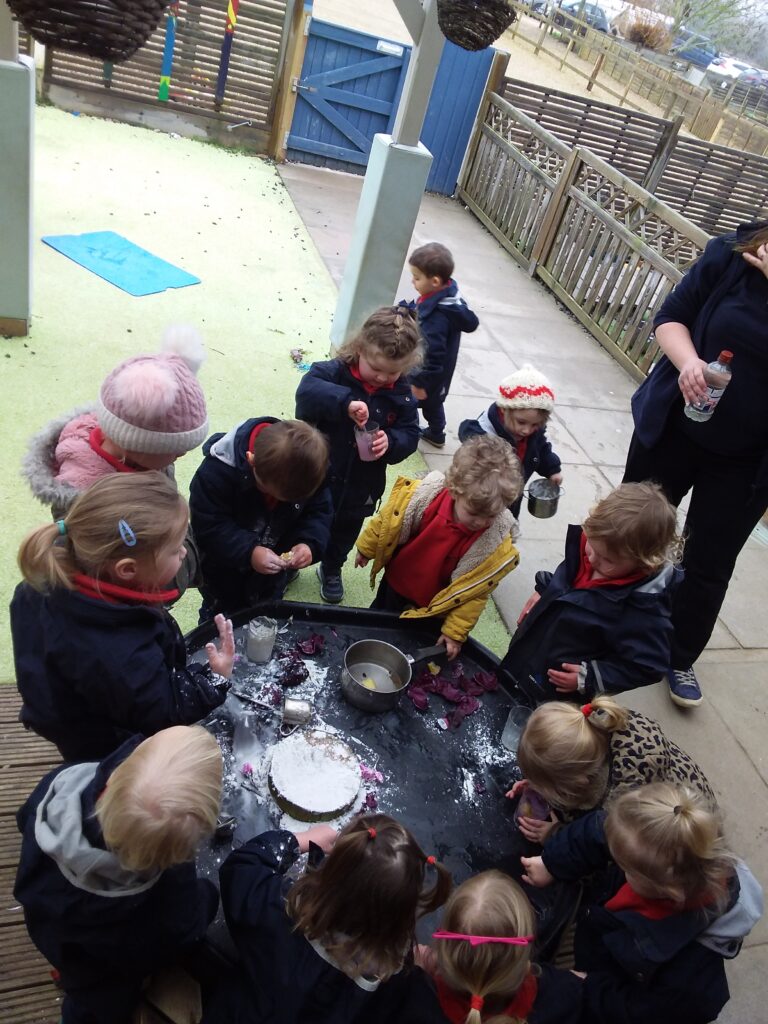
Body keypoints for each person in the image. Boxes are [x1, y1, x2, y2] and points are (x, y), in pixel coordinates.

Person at [623, 222, 768, 710]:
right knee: (634, 525)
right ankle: (601, 606)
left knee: (708, 563)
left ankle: (677, 653)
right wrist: (688, 362)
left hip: (745, 462)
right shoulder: (729, 255)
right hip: (675, 429)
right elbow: (670, 317)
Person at [10, 473, 234, 761]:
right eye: (176, 548)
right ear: (127, 569)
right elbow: (161, 710)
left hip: (64, 707)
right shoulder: (117, 648)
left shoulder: (43, 583)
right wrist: (213, 679)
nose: (183, 553)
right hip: (105, 740)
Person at [14, 726, 223, 1024]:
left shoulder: (62, 787)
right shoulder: (167, 896)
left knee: (72, 966)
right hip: (103, 972)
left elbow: (25, 819)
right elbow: (183, 932)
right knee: (100, 1005)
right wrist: (208, 895)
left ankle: (65, 971)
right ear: (177, 852)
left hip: (47, 924)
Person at [520, 783, 764, 1024]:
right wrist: (552, 862)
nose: (619, 867)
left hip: (609, 983)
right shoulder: (653, 838)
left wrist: (592, 986)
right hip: (600, 941)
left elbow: (640, 1011)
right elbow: (598, 832)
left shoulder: (688, 978)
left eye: (626, 869)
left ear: (668, 893)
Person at [203, 814, 452, 1024]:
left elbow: (242, 867)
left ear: (329, 875)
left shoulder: (278, 913)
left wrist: (298, 841)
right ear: (403, 915)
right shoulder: (392, 979)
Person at [500, 482, 681, 703]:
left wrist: (592, 677)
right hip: (529, 646)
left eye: (608, 560)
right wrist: (545, 589)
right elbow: (567, 574)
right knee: (503, 686)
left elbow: (648, 665)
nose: (593, 560)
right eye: (592, 547)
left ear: (645, 564)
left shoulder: (643, 610)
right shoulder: (594, 548)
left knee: (532, 719)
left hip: (553, 687)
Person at [295, 306, 423, 604]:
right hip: (318, 473)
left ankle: (331, 566)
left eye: (392, 372)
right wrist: (344, 402)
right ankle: (293, 560)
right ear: (360, 349)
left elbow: (411, 433)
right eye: (375, 368)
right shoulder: (334, 373)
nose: (382, 378)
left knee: (346, 529)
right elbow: (306, 394)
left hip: (361, 484)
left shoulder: (402, 393)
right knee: (301, 518)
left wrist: (390, 442)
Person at [355, 435, 522, 659]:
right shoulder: (423, 498)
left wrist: (454, 633)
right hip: (396, 582)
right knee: (377, 624)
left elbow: (474, 594)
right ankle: (364, 650)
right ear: (454, 489)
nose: (481, 522)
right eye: (473, 513)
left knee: (417, 643)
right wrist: (367, 547)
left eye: (491, 515)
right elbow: (389, 521)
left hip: (437, 606)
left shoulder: (492, 542)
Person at [22, 326, 209, 519]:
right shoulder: (86, 494)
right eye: (175, 449)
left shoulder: (148, 461)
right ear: (135, 444)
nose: (182, 454)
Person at [506, 695, 716, 845]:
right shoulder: (591, 731)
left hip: (682, 832)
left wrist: (556, 835)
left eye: (554, 787)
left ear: (577, 782)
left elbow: (609, 855)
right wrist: (539, 784)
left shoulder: (622, 807)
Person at [189, 417, 333, 615]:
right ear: (251, 461)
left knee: (267, 609)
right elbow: (208, 526)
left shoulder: (309, 473)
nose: (279, 501)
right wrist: (249, 552)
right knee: (218, 614)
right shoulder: (217, 473)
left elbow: (319, 513)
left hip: (272, 576)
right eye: (270, 492)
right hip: (223, 574)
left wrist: (309, 543)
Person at [413, 870, 583, 1024]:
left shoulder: (413, 1005)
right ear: (523, 959)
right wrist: (577, 980)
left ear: (444, 950)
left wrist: (418, 976)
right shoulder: (565, 995)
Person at [458, 364, 562, 519]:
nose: (527, 430)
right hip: (484, 501)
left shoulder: (533, 433)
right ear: (503, 410)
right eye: (521, 422)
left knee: (506, 524)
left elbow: (541, 448)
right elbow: (467, 432)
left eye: (535, 424)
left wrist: (552, 468)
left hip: (512, 498)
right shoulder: (485, 434)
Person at [402, 242, 479, 448]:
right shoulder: (450, 296)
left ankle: (409, 428)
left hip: (429, 372)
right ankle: (437, 433)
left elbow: (431, 354)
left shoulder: (435, 318)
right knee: (435, 402)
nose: (412, 281)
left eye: (417, 278)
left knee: (411, 399)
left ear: (435, 281)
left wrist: (419, 382)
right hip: (442, 372)